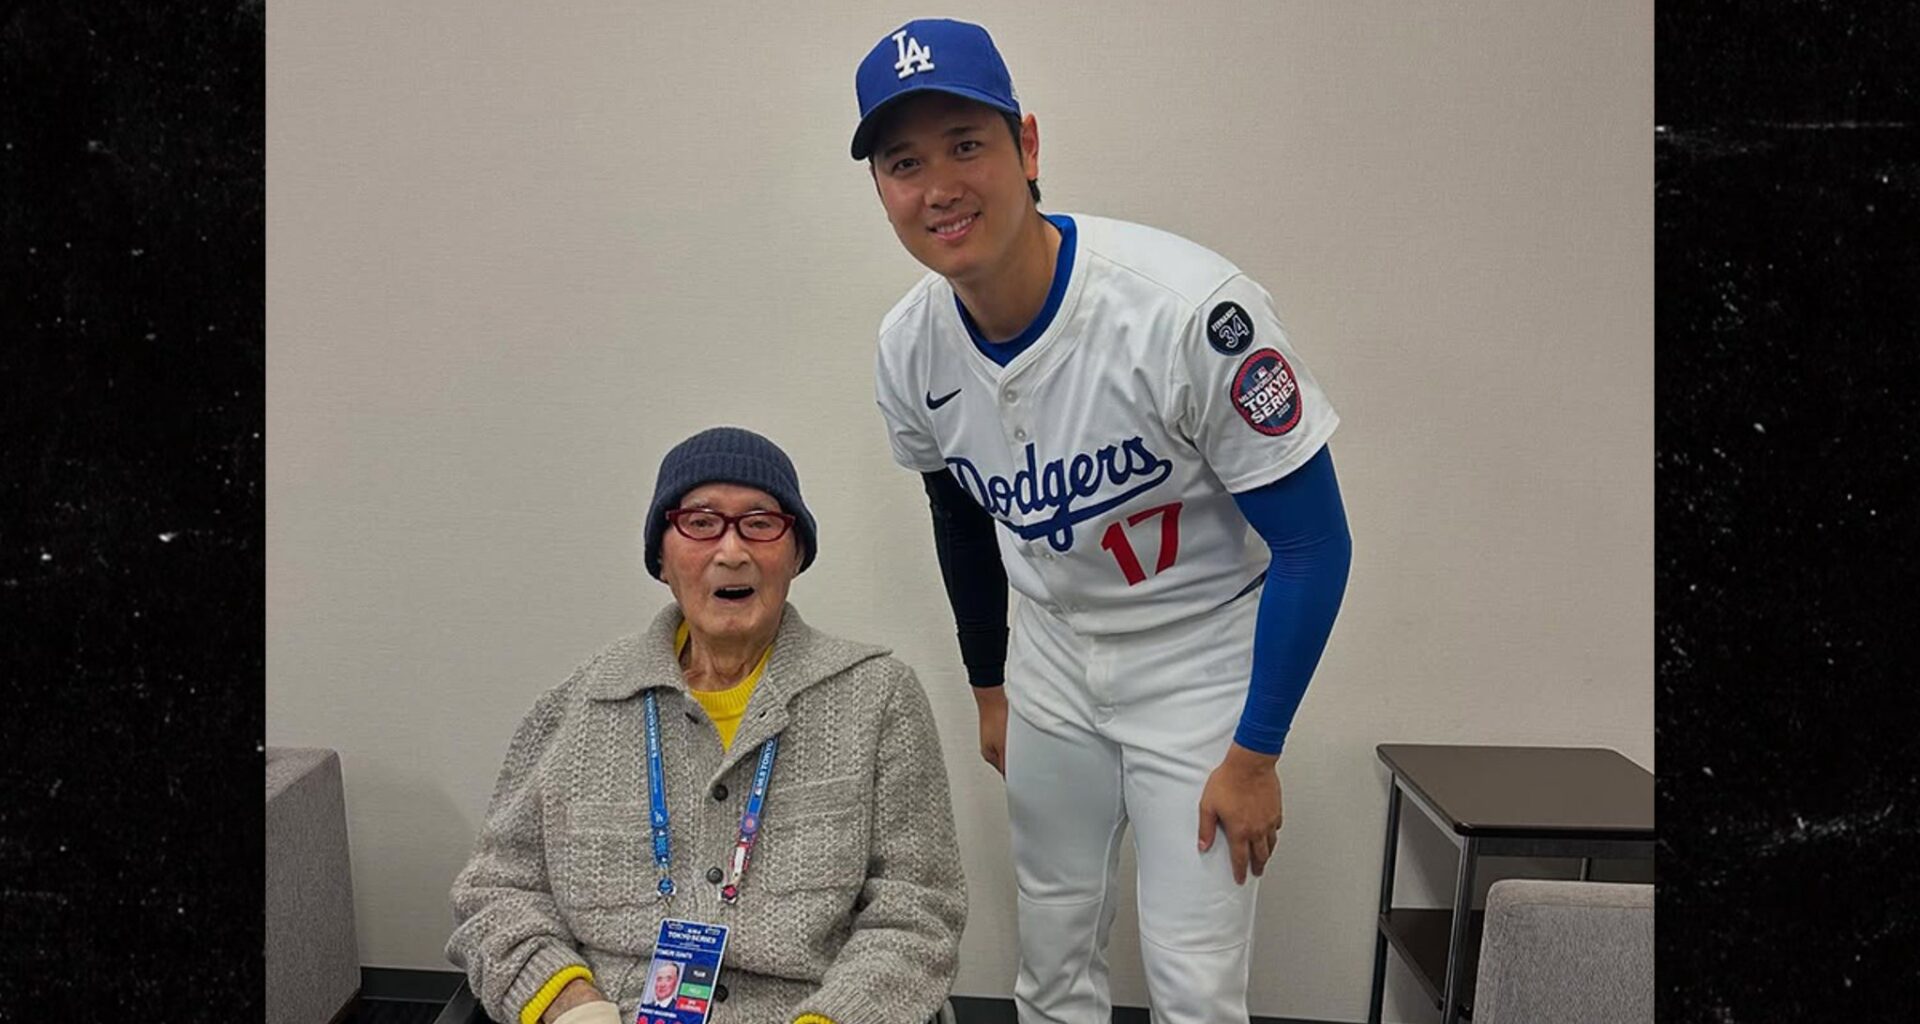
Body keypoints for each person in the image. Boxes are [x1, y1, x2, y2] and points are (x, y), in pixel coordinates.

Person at [850, 19, 1353, 1024]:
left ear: (1026, 148)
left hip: (1198, 656)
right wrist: (990, 682)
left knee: (1194, 981)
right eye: (904, 162)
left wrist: (1255, 754)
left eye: (965, 144)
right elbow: (957, 516)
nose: (938, 185)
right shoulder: (911, 346)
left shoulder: (1184, 312)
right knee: (1051, 951)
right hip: (1052, 658)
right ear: (882, 189)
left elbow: (1314, 540)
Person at [448, 427, 966, 1024]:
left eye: (760, 522)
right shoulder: (577, 705)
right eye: (700, 522)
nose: (731, 550)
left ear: (796, 553)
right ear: (661, 558)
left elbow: (919, 912)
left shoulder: (878, 697)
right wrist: (571, 1003)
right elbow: (496, 893)